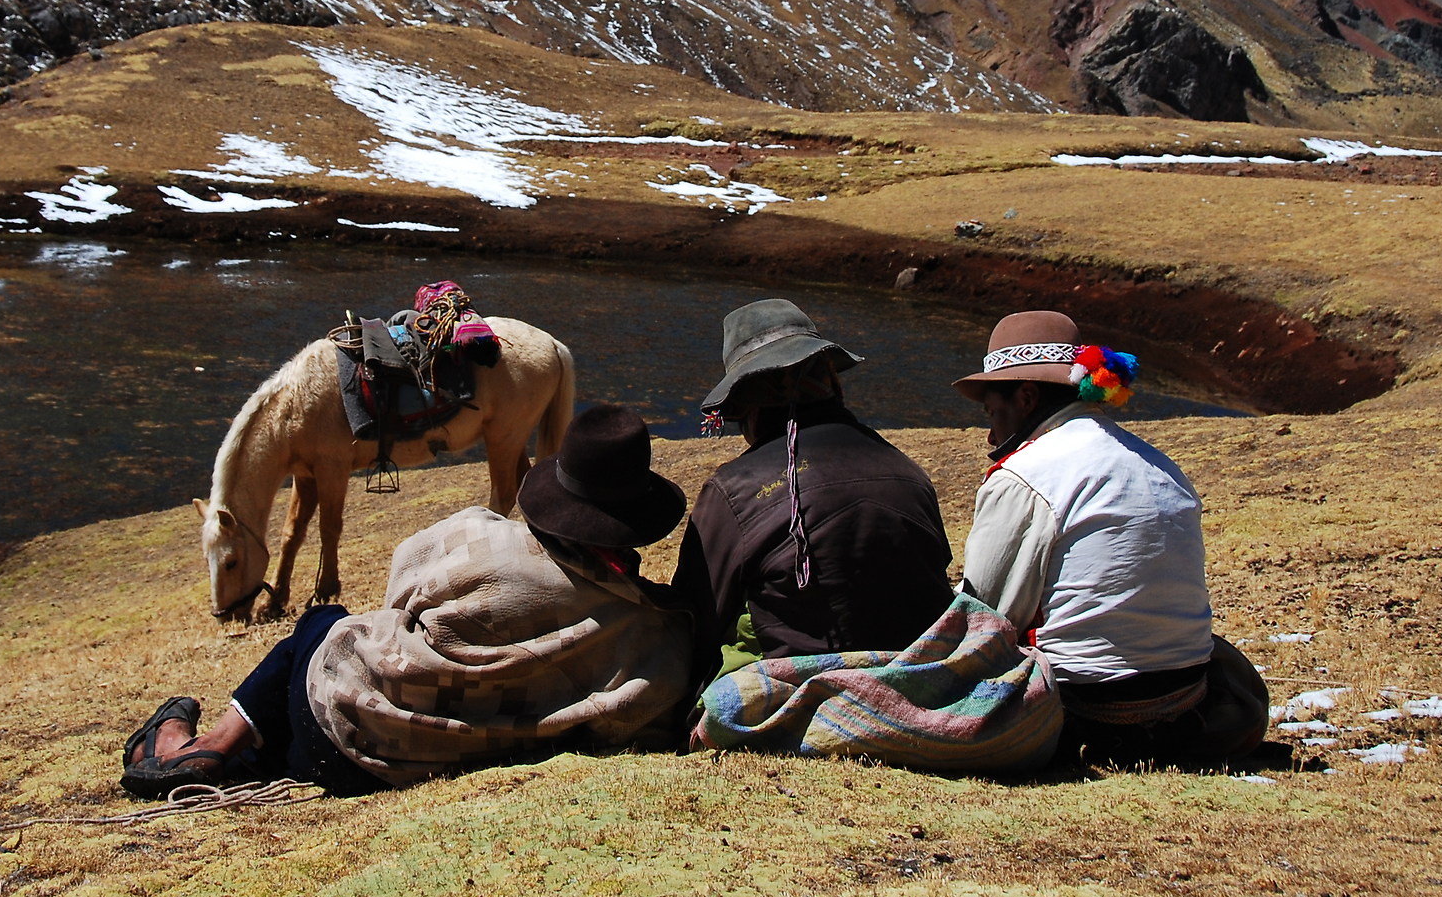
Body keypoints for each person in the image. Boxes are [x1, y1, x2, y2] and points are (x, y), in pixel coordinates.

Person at [121, 403, 693, 797]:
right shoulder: (652, 635)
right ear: (635, 521)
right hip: (407, 768)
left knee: (326, 624)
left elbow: (400, 596)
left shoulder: (478, 538)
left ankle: (211, 747)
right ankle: (232, 755)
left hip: (332, 730)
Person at [953, 310, 1268, 765]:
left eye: (993, 412)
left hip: (1086, 703)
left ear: (1024, 397)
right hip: (1187, 697)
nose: (990, 433)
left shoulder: (1025, 475)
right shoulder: (1161, 466)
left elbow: (988, 615)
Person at [671, 299, 955, 691]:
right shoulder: (907, 470)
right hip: (919, 683)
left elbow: (694, 619)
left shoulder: (734, 490)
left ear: (749, 404)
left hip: (804, 691)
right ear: (832, 383)